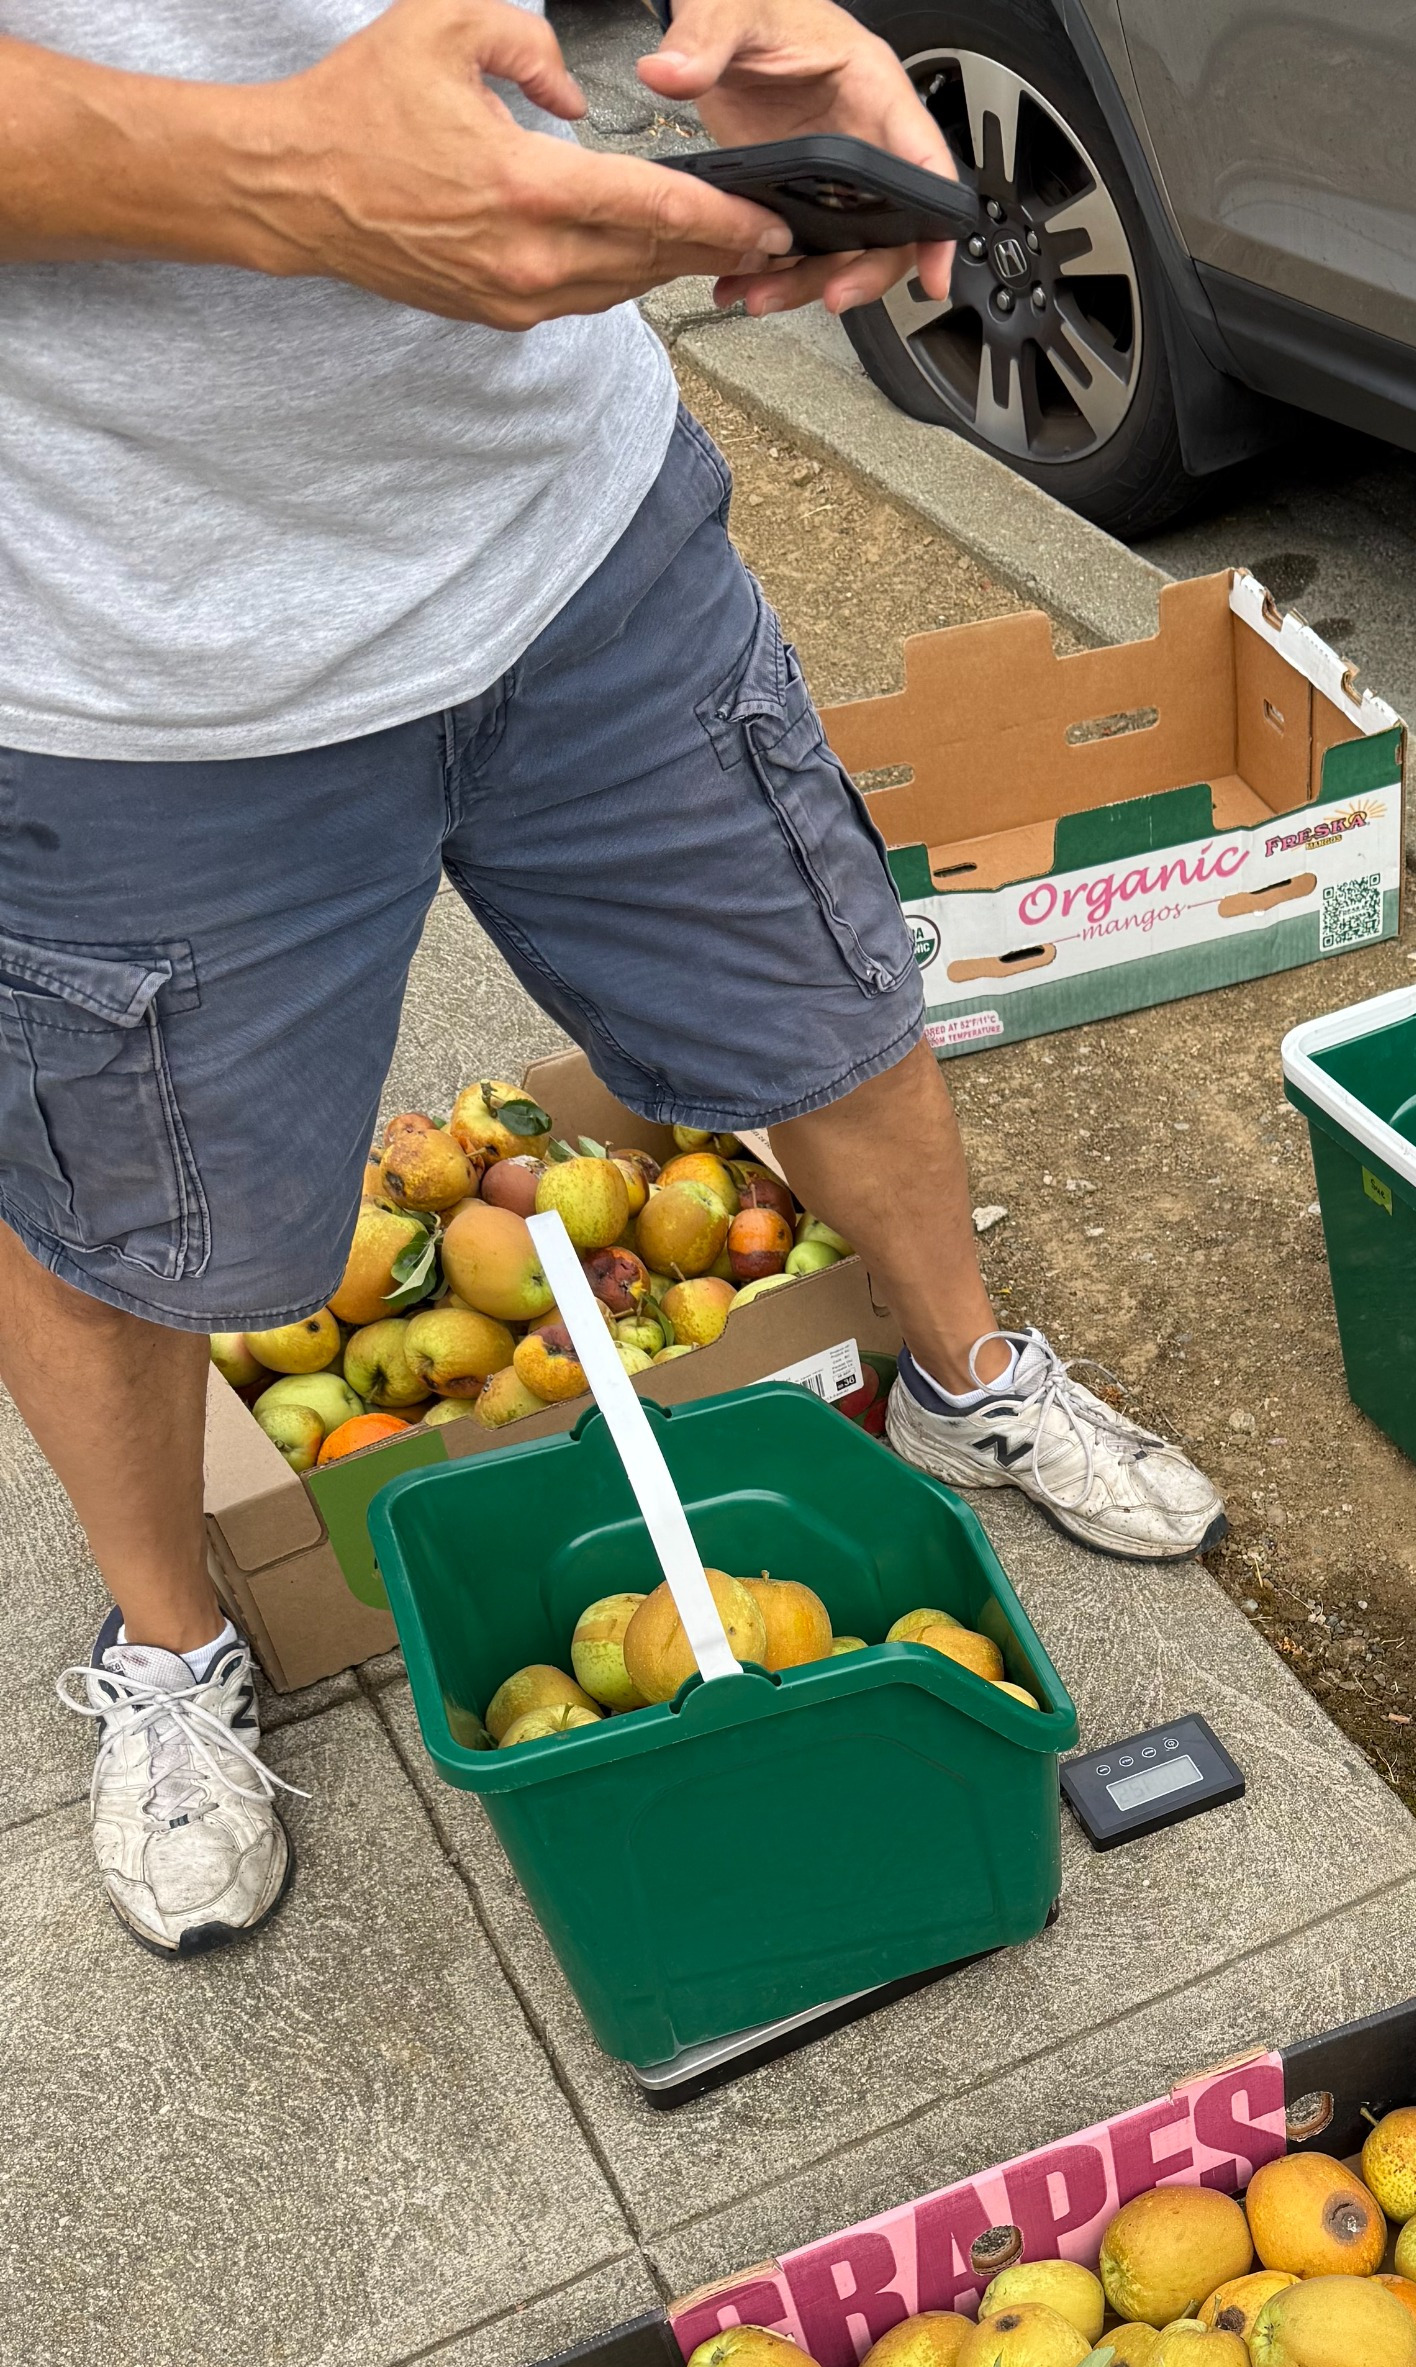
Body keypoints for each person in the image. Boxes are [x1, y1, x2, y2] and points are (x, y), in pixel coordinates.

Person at [0, 0, 1222, 1960]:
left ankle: (968, 1378)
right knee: (122, 1229)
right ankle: (170, 1642)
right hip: (126, 671)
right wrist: (270, 173)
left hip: (582, 534)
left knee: (830, 1012)